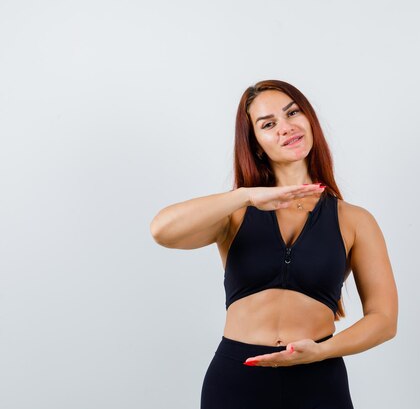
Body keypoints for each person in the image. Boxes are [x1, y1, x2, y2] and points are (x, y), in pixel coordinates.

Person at [150, 79, 398, 409]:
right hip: (237, 381)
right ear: (255, 144)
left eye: (292, 113)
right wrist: (247, 195)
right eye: (268, 124)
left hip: (318, 380)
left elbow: (384, 320)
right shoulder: (235, 212)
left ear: (309, 119)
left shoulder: (355, 220)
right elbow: (162, 231)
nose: (285, 127)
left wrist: (321, 351)